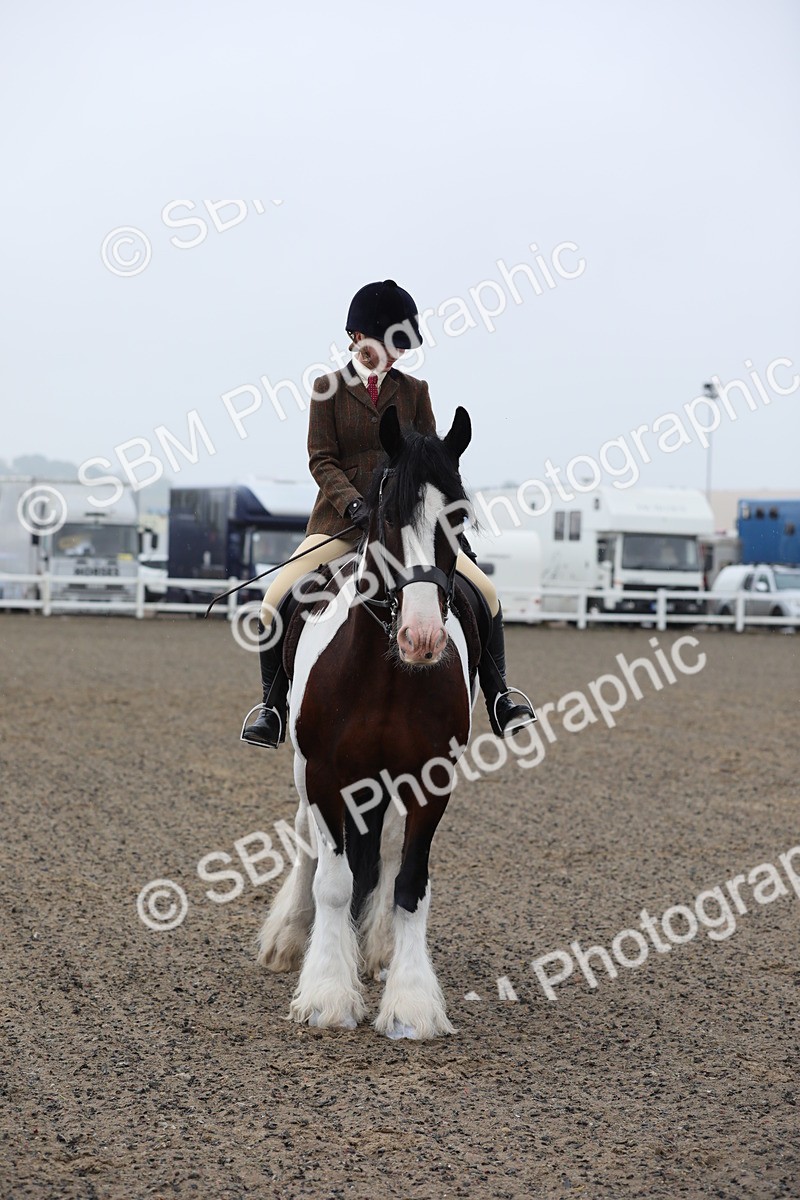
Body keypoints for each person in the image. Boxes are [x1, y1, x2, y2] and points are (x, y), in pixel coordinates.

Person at [241, 279, 535, 748]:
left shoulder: (415, 390)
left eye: (402, 346)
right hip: (342, 523)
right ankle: (272, 707)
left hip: (410, 527)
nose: (397, 355)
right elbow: (321, 459)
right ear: (357, 336)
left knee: (486, 592)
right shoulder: (328, 389)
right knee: (276, 597)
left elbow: (432, 459)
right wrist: (355, 504)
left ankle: (500, 696)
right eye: (390, 344)